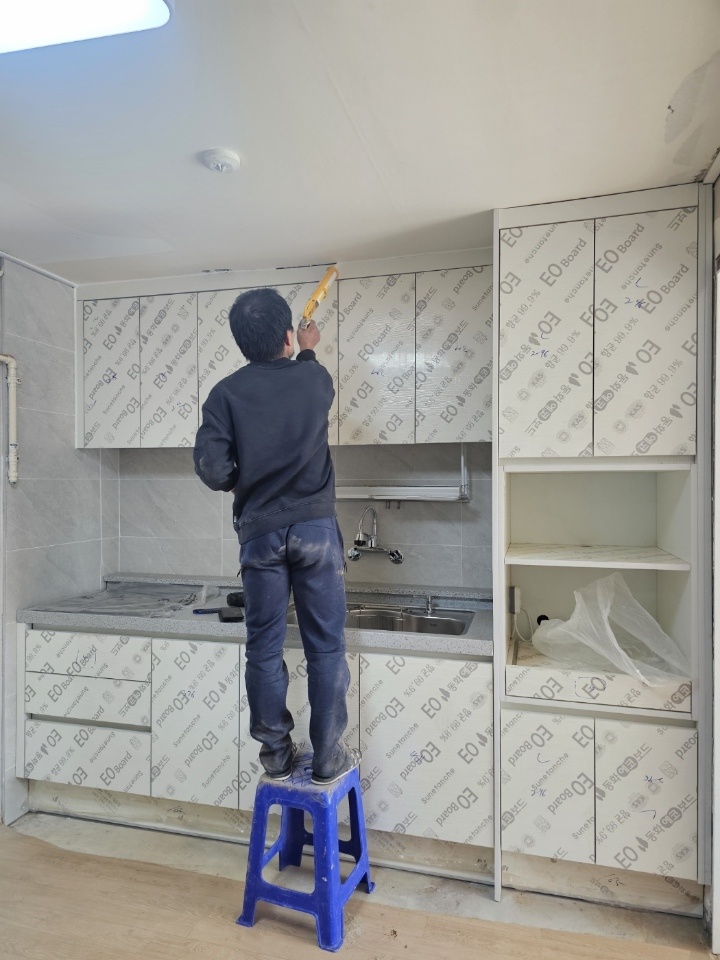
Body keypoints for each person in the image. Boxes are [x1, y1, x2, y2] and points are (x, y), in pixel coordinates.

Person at [193, 286, 359, 785]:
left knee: (263, 648)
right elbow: (309, 375)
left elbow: (213, 470)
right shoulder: (314, 378)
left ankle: (276, 756)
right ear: (288, 336)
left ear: (241, 342)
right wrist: (308, 349)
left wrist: (243, 476)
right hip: (316, 531)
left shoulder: (224, 394)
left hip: (260, 535)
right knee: (325, 648)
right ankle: (327, 757)